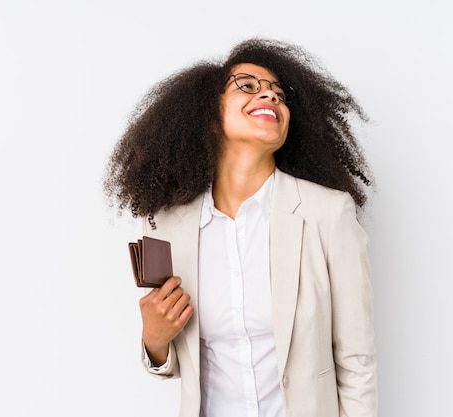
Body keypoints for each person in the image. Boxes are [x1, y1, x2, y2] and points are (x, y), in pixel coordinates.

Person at [104, 37, 377, 417]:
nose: (271, 98)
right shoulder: (169, 225)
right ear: (209, 117)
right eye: (248, 86)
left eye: (280, 95)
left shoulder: (327, 213)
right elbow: (185, 362)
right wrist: (154, 340)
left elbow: (356, 361)